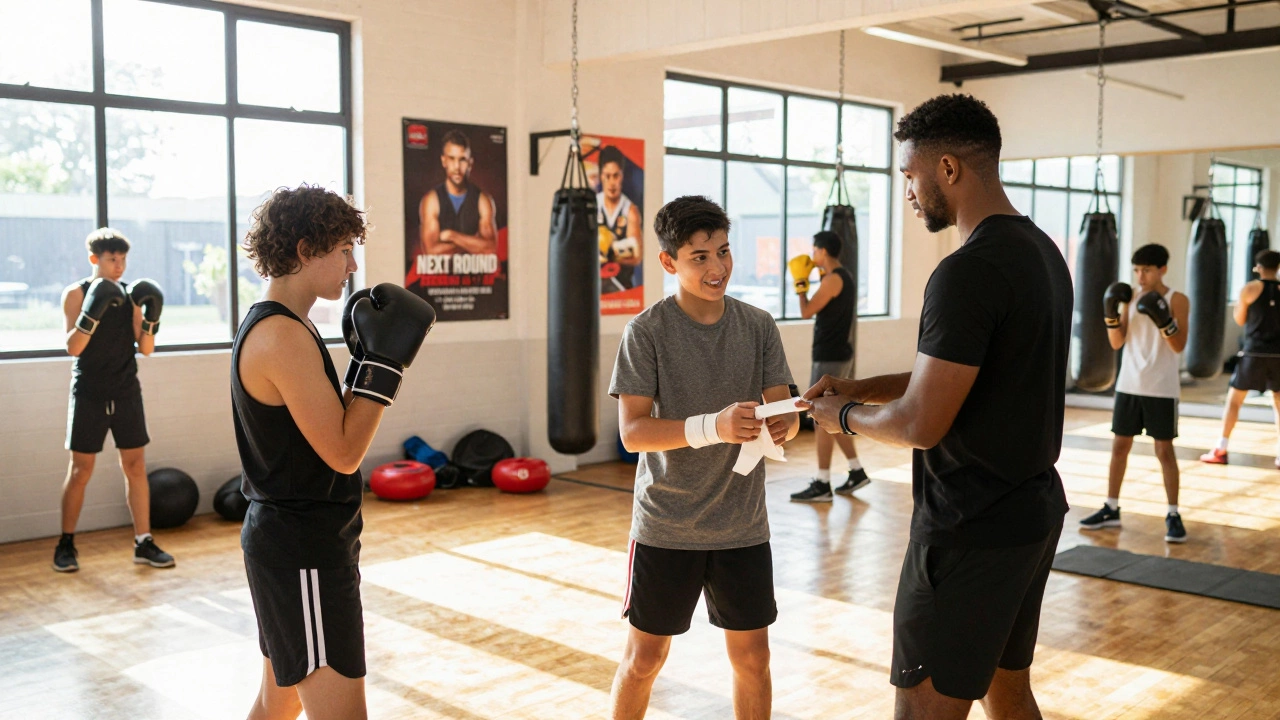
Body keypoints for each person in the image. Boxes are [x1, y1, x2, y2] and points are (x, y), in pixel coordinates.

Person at [802, 94, 1072, 720]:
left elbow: (919, 424)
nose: (907, 191)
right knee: (1008, 693)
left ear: (947, 169)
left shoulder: (965, 271)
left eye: (909, 174)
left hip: (968, 525)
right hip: (1029, 512)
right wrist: (863, 388)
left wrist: (838, 416)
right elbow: (971, 372)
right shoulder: (1042, 254)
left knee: (923, 709)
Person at [233, 186, 436, 720]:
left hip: (294, 539)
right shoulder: (281, 335)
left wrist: (365, 366)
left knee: (276, 706)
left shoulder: (286, 326)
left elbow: (325, 423)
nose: (351, 264)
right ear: (304, 250)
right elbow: (344, 452)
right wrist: (384, 369)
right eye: (343, 249)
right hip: (303, 549)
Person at [609, 195, 799, 720]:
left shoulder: (758, 324)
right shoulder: (645, 332)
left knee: (753, 659)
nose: (717, 268)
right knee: (645, 659)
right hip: (667, 525)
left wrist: (786, 423)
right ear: (670, 261)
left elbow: (781, 407)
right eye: (700, 257)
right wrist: (711, 427)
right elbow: (633, 433)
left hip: (741, 524)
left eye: (723, 252)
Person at [54, 228, 171, 573]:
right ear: (95, 259)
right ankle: (66, 544)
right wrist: (94, 312)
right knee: (80, 470)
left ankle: (143, 542)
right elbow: (73, 347)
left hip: (125, 389)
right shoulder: (76, 293)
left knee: (134, 467)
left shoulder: (132, 295)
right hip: (89, 390)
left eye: (122, 259)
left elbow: (146, 349)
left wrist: (152, 317)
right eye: (111, 259)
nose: (119, 266)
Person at [1080, 244, 1190, 543]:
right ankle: (1111, 508)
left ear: (1162, 269)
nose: (1140, 277)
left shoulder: (1177, 299)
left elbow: (1179, 345)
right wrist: (1110, 314)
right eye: (1137, 271)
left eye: (1147, 270)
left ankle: (1173, 513)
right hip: (1129, 384)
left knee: (1164, 451)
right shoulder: (1130, 297)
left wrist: (1164, 320)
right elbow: (1117, 343)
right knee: (1119, 448)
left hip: (1161, 388)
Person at [788, 230, 871, 503]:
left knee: (820, 416)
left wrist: (801, 284)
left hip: (830, 356)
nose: (812, 256)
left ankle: (822, 483)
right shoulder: (842, 277)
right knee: (833, 417)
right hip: (838, 353)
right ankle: (857, 470)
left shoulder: (833, 279)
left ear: (823, 251)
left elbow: (806, 311)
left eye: (814, 250)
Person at [1201, 249, 1280, 468]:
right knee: (1279, 403)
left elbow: (1240, 319)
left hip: (1254, 352)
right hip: (1278, 354)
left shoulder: (1250, 288)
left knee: (1234, 400)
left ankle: (1221, 447)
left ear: (1258, 267)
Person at [418, 129, 498, 256]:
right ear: (444, 161)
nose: (456, 167)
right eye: (451, 159)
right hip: (439, 275)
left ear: (470, 163)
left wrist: (452, 236)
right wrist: (473, 244)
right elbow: (431, 251)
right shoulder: (431, 200)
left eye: (462, 160)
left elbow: (490, 248)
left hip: (475, 274)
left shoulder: (483, 200)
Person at [597, 145, 644, 291]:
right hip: (595, 286)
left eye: (616, 175)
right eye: (607, 176)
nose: (612, 182)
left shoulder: (630, 211)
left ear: (622, 176)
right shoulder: (592, 206)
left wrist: (609, 251)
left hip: (622, 287)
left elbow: (636, 256)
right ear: (601, 176)